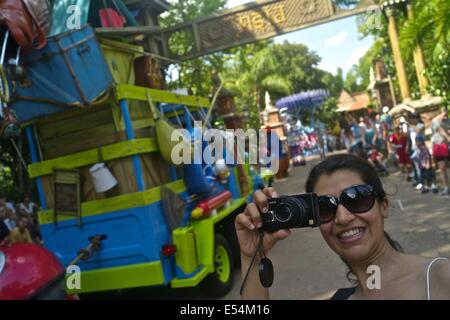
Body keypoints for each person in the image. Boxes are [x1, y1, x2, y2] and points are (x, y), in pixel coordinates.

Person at [236, 154, 450, 300]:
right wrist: (252, 257)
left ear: (383, 206)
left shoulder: (441, 278)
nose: (343, 217)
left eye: (357, 199)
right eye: (324, 208)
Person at [431, 107, 450, 196]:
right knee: (442, 168)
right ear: (440, 113)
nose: (445, 117)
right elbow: (441, 131)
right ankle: (446, 187)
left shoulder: (448, 120)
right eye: (444, 115)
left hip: (447, 146)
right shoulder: (435, 121)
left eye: (447, 115)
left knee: (446, 167)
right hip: (439, 147)